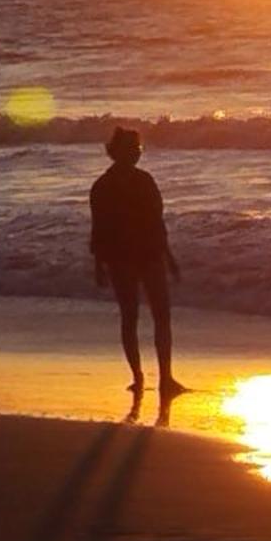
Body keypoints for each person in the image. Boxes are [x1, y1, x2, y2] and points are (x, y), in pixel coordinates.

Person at [90, 126, 187, 396]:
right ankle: (139, 376)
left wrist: (169, 256)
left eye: (138, 148)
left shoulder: (144, 180)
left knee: (160, 315)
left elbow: (158, 222)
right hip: (122, 258)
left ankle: (165, 377)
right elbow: (99, 229)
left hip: (149, 254)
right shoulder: (102, 187)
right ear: (116, 151)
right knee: (131, 316)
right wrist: (99, 265)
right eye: (131, 148)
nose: (136, 153)